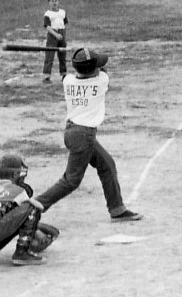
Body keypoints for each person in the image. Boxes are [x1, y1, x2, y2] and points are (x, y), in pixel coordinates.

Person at [35, 47, 143, 222]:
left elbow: (78, 72)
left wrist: (80, 60)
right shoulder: (102, 81)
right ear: (93, 69)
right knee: (71, 181)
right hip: (83, 136)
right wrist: (84, 60)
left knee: (107, 165)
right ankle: (36, 206)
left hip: (74, 132)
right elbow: (102, 71)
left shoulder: (68, 81)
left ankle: (117, 209)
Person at [0, 155, 59, 267]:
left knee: (5, 214)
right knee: (31, 209)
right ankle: (22, 252)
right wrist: (38, 229)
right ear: (15, 174)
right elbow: (38, 206)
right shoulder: (18, 190)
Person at [42, 0, 68, 83]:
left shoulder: (62, 12)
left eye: (56, 1)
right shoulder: (48, 14)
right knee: (50, 56)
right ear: (49, 3)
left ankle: (64, 74)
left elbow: (64, 23)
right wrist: (56, 34)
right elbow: (47, 27)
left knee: (62, 56)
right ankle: (46, 76)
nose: (54, 3)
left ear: (59, 3)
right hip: (52, 35)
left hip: (62, 33)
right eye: (52, 1)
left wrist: (63, 35)